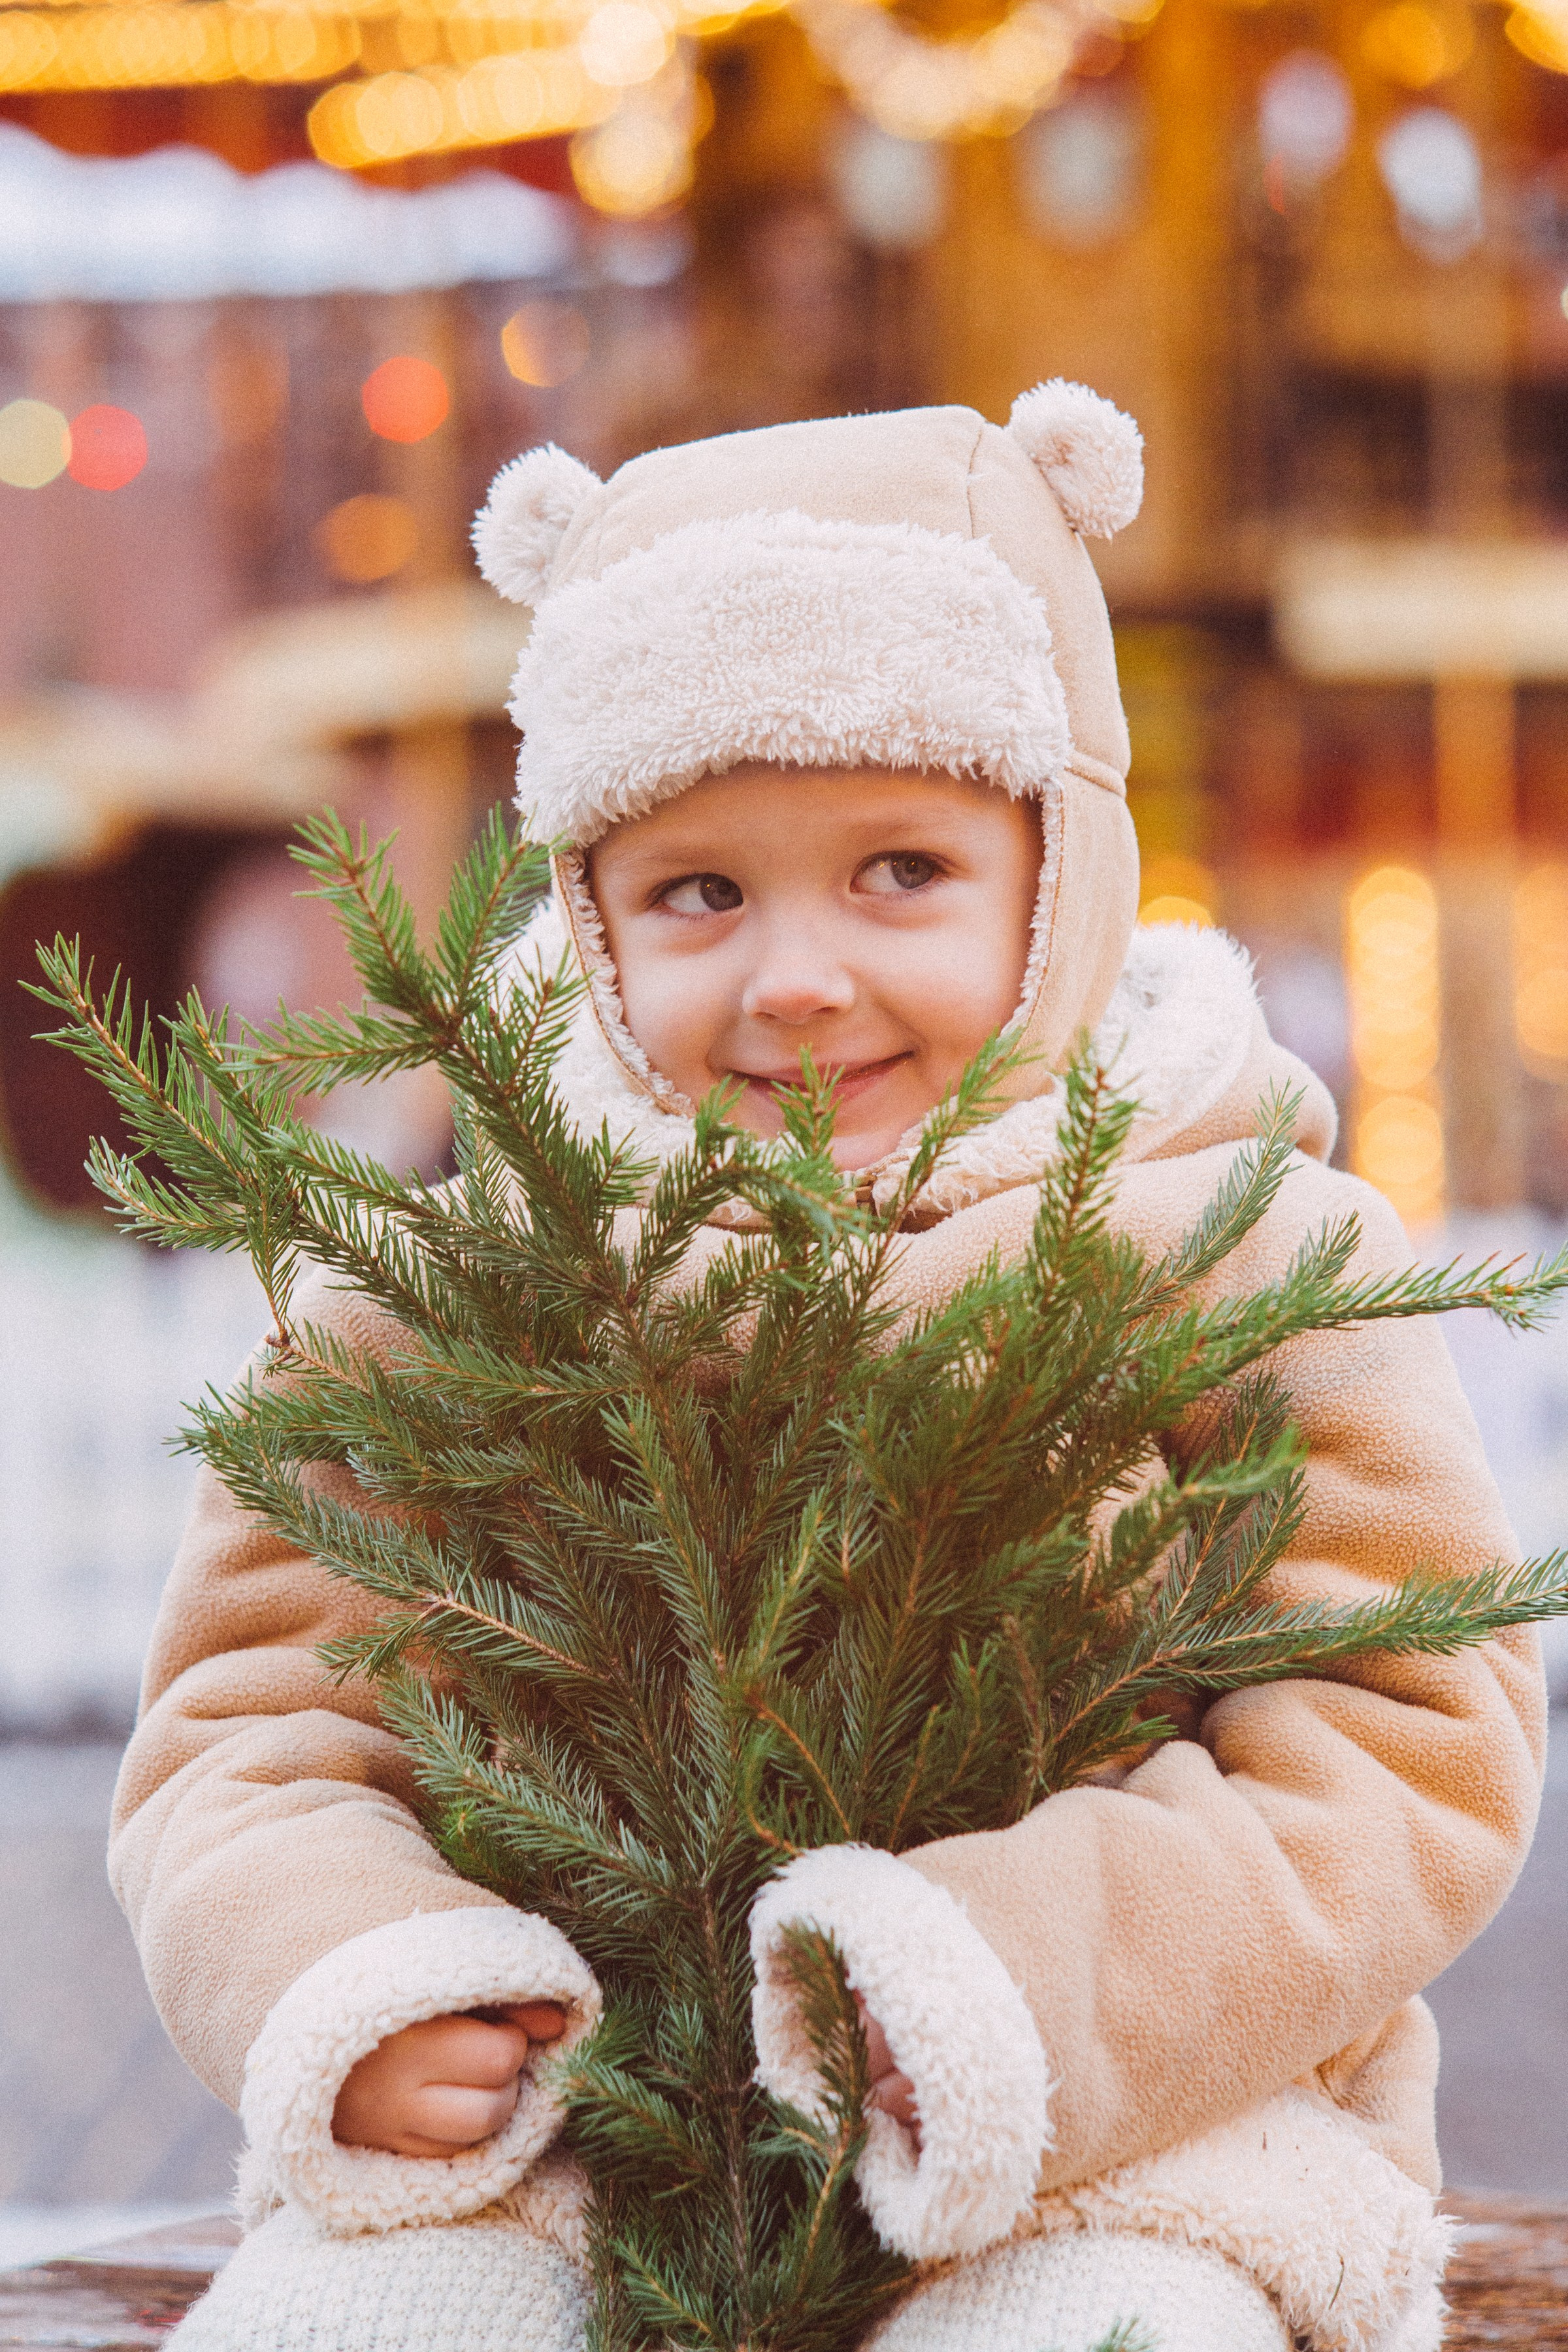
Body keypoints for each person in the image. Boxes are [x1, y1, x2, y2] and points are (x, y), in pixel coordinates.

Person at [114, 387, 1544, 2352]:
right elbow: (254, 1730)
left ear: (1058, 874)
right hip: (558, 2147)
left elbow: (1401, 1730)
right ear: (595, 922)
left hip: (1118, 2144)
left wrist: (1003, 1985)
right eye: (700, 893)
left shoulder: (1236, 1253)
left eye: (900, 872)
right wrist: (361, 1978)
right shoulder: (453, 1295)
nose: (797, 977)